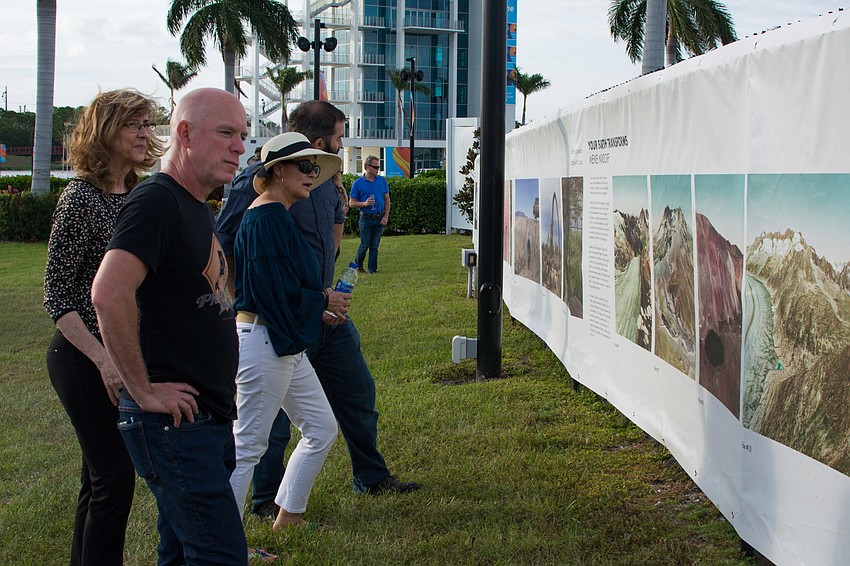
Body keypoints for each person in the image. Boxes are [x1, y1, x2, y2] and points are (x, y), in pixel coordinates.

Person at [215, 100, 419, 502]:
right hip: (278, 321)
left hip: (323, 310)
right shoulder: (257, 186)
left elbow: (335, 223)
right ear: (320, 140)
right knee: (268, 424)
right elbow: (224, 243)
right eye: (340, 137)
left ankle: (370, 476)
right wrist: (250, 301)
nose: (342, 146)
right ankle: (262, 500)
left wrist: (324, 287)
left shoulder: (323, 180)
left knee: (356, 393)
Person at [91, 88, 251, 565]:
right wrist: (142, 391)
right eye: (226, 133)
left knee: (181, 554)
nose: (239, 147)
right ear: (184, 133)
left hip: (204, 416)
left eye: (241, 135)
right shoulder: (157, 201)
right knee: (219, 555)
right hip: (176, 425)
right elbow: (107, 292)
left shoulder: (195, 205)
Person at [43, 88, 164, 566]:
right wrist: (104, 360)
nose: (143, 133)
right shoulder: (79, 199)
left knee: (97, 478)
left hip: (120, 351)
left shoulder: (139, 196)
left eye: (147, 124)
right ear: (104, 131)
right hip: (81, 357)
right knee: (113, 477)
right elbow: (58, 296)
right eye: (133, 123)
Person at [229, 132, 341, 529]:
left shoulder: (275, 216)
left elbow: (282, 286)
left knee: (321, 428)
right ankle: (220, 546)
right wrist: (322, 302)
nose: (312, 174)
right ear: (277, 171)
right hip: (264, 341)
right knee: (247, 447)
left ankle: (289, 516)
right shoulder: (265, 218)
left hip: (281, 342)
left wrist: (318, 303)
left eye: (315, 167)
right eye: (305, 166)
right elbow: (270, 291)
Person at [349, 155, 391, 274]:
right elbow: (351, 203)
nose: (378, 169)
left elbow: (387, 199)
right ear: (367, 167)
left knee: (374, 246)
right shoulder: (358, 184)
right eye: (375, 167)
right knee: (364, 245)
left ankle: (373, 270)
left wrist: (386, 216)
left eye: (379, 167)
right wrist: (364, 203)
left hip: (379, 217)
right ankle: (358, 265)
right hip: (366, 218)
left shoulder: (381, 181)